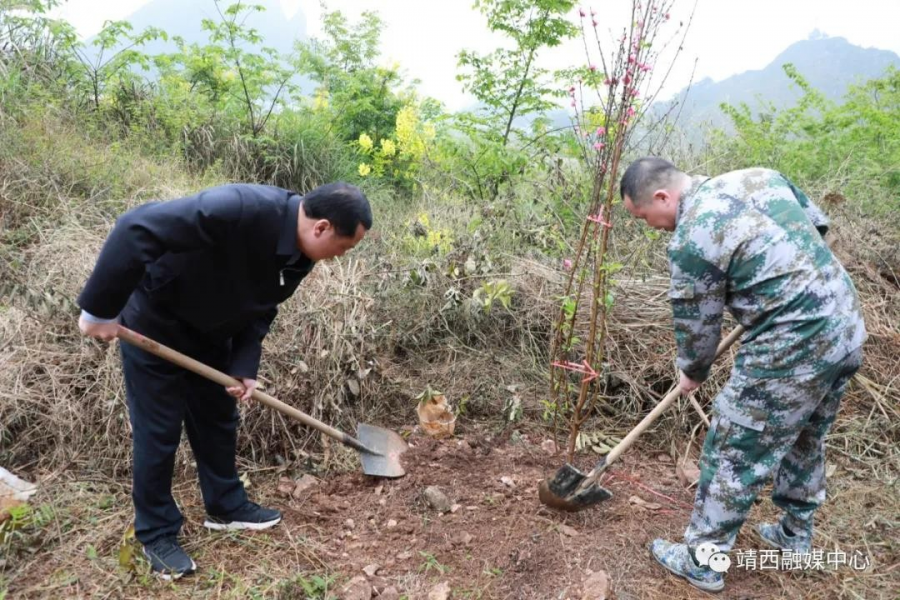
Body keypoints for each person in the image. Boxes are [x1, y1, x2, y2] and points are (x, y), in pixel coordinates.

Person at [77, 182, 372, 580]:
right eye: (343, 247)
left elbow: (263, 306)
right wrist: (99, 307)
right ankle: (157, 533)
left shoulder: (300, 256)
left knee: (217, 419)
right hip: (154, 323)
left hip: (211, 334)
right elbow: (137, 227)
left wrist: (244, 364)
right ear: (321, 227)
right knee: (159, 431)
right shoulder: (239, 207)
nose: (339, 258)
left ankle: (225, 506)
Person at [619, 158, 866, 592]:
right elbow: (817, 230)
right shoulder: (760, 177)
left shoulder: (692, 237)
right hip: (845, 326)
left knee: (733, 447)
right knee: (805, 433)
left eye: (643, 217)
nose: (649, 225)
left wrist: (692, 371)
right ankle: (794, 536)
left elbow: (697, 327)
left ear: (662, 197)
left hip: (792, 346)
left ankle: (703, 560)